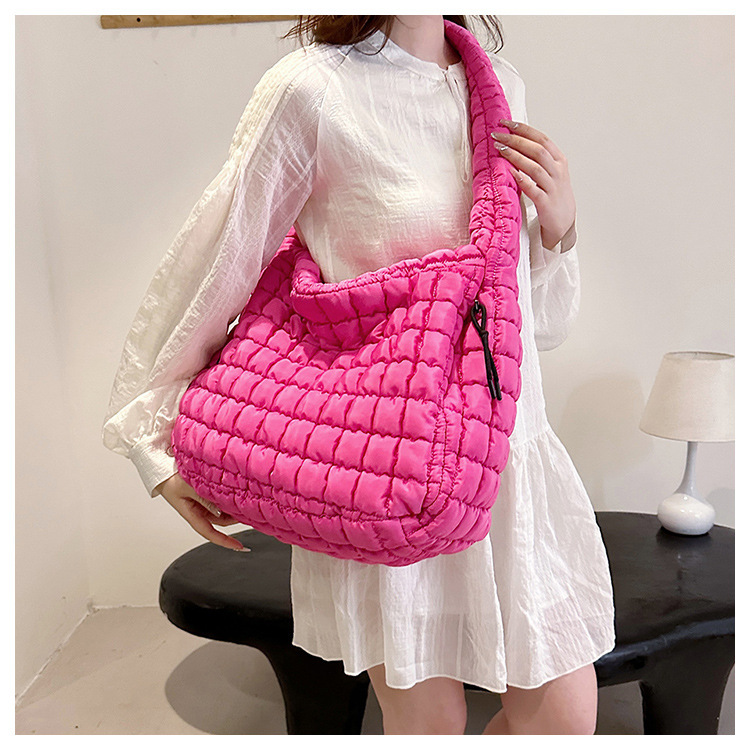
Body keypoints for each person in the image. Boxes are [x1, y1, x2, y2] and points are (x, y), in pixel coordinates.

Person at [102, 15, 616, 735]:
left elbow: (537, 328)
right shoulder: (313, 90)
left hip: (506, 463)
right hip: (383, 459)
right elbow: (220, 257)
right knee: (427, 726)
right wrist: (151, 438)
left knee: (563, 719)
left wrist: (559, 228)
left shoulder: (500, 86)